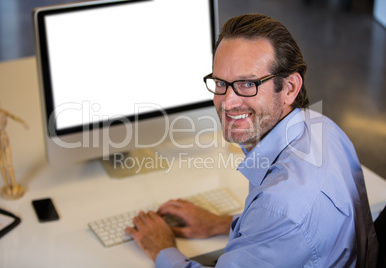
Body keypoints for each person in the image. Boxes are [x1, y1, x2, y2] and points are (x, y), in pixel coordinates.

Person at [125, 14, 378, 267]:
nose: (228, 102)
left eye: (248, 83)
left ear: (290, 87)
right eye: (221, 83)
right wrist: (222, 223)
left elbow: (284, 218)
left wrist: (161, 248)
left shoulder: (281, 206)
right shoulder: (321, 127)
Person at [0, 97, 28, 199]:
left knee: (9, 165)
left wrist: (22, 122)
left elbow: (12, 116)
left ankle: (14, 185)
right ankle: (7, 186)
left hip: (5, 138)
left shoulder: (3, 112)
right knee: (2, 166)